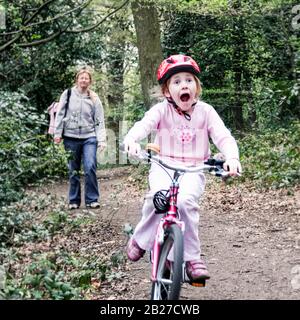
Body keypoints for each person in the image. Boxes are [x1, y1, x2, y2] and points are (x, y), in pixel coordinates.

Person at [123, 54, 242, 281]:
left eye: (188, 80)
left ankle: (192, 258)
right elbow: (143, 125)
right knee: (157, 199)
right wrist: (131, 139)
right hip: (164, 165)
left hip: (194, 169)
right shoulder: (161, 110)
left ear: (196, 87)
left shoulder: (206, 111)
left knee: (186, 202)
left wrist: (232, 158)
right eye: (176, 82)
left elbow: (223, 136)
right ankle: (140, 239)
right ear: (168, 91)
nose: (183, 85)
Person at [54, 66, 106, 210]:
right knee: (73, 170)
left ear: (90, 81)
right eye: (81, 78)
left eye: (86, 78)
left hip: (89, 137)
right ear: (77, 79)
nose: (84, 80)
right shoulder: (68, 93)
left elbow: (99, 120)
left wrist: (101, 140)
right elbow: (60, 114)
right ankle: (74, 200)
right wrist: (57, 134)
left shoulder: (94, 97)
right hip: (70, 137)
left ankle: (92, 199)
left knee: (90, 167)